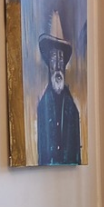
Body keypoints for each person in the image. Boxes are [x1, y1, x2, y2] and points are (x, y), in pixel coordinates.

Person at [37, 21, 81, 165]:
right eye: (54, 61)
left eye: (61, 62)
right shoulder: (42, 105)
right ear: (49, 65)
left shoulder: (72, 107)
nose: (58, 68)